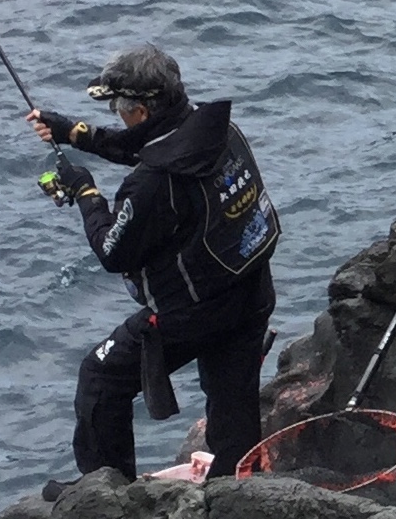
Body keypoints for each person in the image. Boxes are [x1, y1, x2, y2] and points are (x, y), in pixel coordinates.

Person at [27, 45, 280, 488]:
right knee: (232, 404)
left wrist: (86, 194)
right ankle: (237, 488)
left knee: (101, 377)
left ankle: (105, 493)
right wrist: (76, 134)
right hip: (250, 289)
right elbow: (153, 146)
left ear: (141, 112)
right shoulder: (215, 129)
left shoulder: (151, 184)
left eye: (118, 109)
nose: (117, 115)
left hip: (194, 311)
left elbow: (113, 252)